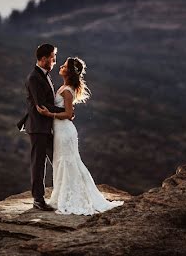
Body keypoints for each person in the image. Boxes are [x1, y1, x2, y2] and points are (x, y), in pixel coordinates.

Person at [35, 56, 124, 215]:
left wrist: (50, 114)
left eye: (63, 66)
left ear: (69, 72)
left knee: (67, 161)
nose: (60, 67)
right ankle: (63, 194)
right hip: (61, 130)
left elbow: (68, 114)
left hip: (64, 131)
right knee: (63, 161)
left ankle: (71, 197)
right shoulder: (65, 88)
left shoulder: (67, 91)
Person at [17, 43, 68, 210]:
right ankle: (38, 200)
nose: (54, 60)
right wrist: (65, 111)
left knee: (58, 158)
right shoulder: (34, 78)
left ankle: (63, 192)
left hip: (46, 127)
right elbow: (42, 106)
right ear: (44, 58)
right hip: (38, 127)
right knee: (38, 164)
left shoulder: (45, 75)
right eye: (53, 57)